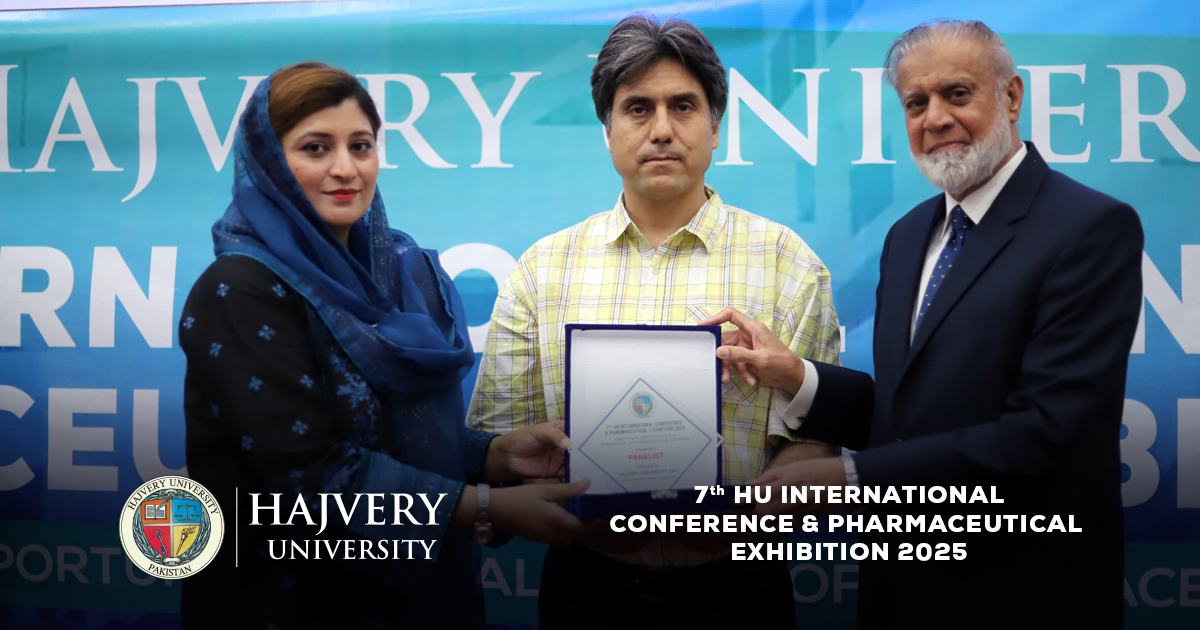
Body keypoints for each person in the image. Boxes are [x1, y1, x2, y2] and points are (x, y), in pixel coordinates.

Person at [703, 20, 1142, 628]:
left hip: (1025, 598)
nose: (934, 119)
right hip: (900, 594)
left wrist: (847, 478)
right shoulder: (908, 235)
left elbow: (1048, 431)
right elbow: (909, 417)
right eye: (916, 103)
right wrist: (797, 377)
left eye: (957, 94)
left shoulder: (1089, 227)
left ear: (1011, 96)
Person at [178, 62, 589, 629]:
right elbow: (309, 475)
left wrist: (492, 457)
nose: (345, 168)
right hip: (293, 603)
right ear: (268, 162)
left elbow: (390, 431)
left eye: (361, 145)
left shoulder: (397, 275)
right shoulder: (239, 289)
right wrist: (484, 506)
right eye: (316, 148)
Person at [467, 15, 842, 628]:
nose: (662, 129)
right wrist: (558, 501)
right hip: (587, 591)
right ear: (607, 130)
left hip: (740, 594)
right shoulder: (540, 271)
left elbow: (815, 445)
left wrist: (748, 519)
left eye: (683, 106)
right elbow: (498, 445)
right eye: (638, 108)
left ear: (715, 127)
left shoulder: (790, 265)